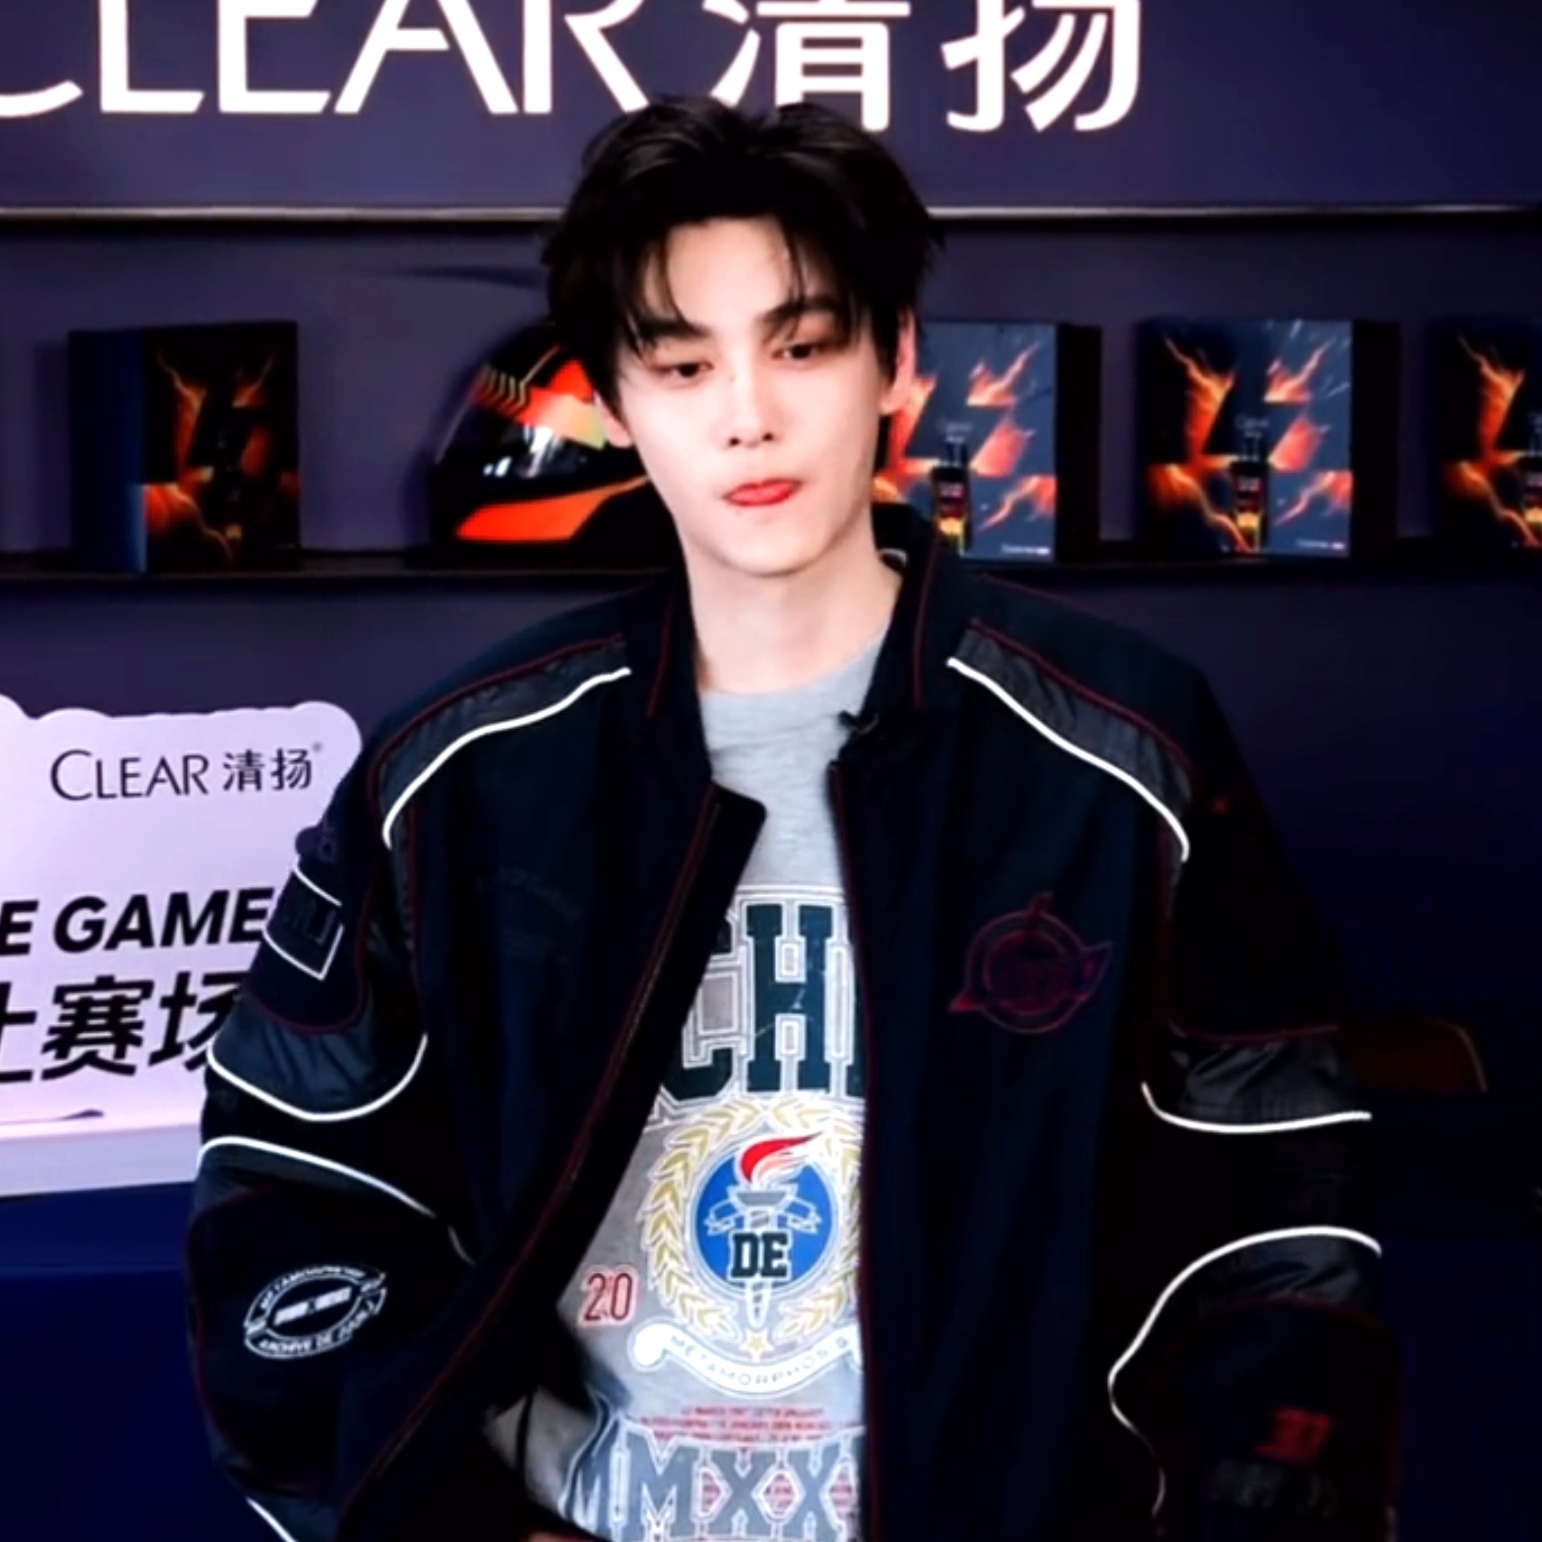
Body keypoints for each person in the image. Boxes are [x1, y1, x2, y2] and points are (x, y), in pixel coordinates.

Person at [185, 98, 1397, 1542]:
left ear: (896, 361)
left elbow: (1277, 1197)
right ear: (617, 402)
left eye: (802, 346)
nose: (747, 412)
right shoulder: (462, 773)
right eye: (683, 364)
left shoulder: (1118, 748)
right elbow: (293, 1174)